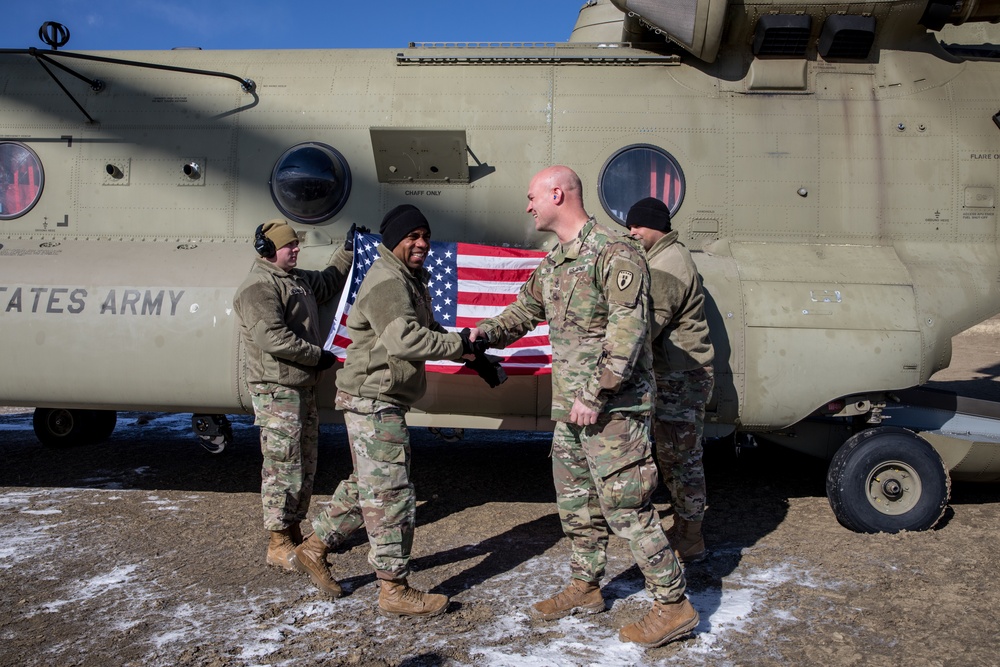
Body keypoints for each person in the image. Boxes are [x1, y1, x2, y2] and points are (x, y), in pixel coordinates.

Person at [469, 166, 698, 648]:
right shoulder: (554, 264)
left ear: (557, 194)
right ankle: (586, 585)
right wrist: (479, 336)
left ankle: (674, 605)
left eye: (532, 197)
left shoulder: (616, 253)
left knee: (628, 507)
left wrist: (596, 394)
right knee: (576, 506)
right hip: (570, 413)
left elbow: (628, 332)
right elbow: (522, 312)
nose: (528, 206)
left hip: (612, 411)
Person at [290, 204, 479, 617]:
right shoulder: (387, 280)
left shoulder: (408, 280)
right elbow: (405, 341)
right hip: (373, 400)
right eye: (412, 236)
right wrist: (460, 346)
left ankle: (313, 547)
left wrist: (471, 354)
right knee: (392, 492)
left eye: (425, 236)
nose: (422, 244)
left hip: (379, 396)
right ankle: (393, 588)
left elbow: (428, 330)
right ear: (394, 239)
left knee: (368, 484)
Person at [233, 219, 352, 571]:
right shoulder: (258, 287)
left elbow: (328, 282)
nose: (296, 249)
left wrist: (348, 252)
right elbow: (272, 338)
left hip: (300, 387)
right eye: (289, 246)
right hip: (276, 390)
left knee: (303, 464)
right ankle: (278, 541)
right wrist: (319, 356)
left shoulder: (296, 280)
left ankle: (294, 531)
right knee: (282, 467)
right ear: (268, 251)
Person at [626, 198, 715, 564]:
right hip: (676, 375)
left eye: (636, 227)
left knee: (680, 459)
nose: (631, 233)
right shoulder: (663, 257)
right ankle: (685, 529)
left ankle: (691, 537)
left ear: (654, 226)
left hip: (681, 378)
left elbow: (646, 326)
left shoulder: (667, 264)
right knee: (674, 456)